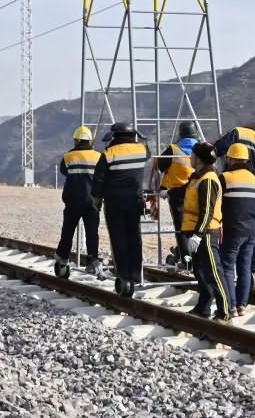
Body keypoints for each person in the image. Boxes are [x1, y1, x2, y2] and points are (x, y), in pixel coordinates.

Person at [91, 121, 151, 298]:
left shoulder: (109, 153)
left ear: (115, 136)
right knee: (135, 237)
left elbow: (99, 179)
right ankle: (135, 272)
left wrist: (96, 199)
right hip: (135, 202)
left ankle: (123, 275)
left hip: (114, 203)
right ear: (133, 135)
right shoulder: (142, 150)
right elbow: (148, 153)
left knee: (119, 239)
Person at [215, 114, 255, 283]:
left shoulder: (239, 132)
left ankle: (221, 263)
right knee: (254, 226)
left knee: (229, 223)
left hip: (232, 185)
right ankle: (254, 267)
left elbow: (217, 149)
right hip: (254, 190)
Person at [182, 141, 231, 322]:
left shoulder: (208, 180)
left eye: (193, 155)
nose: (190, 158)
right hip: (195, 230)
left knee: (214, 273)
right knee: (201, 272)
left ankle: (225, 312)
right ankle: (203, 308)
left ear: (199, 159)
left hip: (206, 233)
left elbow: (207, 212)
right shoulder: (197, 177)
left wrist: (198, 235)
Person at [54, 126, 104, 279]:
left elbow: (64, 171)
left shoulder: (68, 156)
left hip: (73, 201)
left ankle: (63, 258)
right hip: (92, 202)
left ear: (76, 141)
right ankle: (93, 260)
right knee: (92, 233)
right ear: (90, 141)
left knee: (68, 231)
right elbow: (102, 175)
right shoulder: (98, 156)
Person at [219, 143, 255, 316]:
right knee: (244, 267)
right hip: (252, 230)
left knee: (227, 267)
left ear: (231, 159)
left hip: (233, 229)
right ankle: (242, 305)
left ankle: (231, 306)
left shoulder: (225, 177)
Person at [156, 121, 201, 269]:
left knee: (182, 229)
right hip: (199, 193)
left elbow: (160, 166)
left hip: (177, 196)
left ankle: (186, 261)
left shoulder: (173, 149)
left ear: (181, 134)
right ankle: (198, 259)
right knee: (197, 227)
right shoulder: (202, 148)